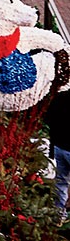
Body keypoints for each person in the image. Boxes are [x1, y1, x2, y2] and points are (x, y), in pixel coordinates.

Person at [45, 88, 70, 221]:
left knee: (61, 181)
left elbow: (48, 119)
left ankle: (59, 214)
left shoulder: (60, 97)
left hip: (59, 146)